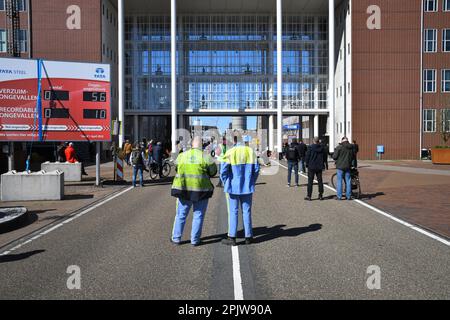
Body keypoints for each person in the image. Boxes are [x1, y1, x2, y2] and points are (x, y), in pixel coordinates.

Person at [171, 136, 217, 246]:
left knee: (181, 215)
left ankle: (176, 238)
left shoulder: (181, 156)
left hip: (183, 190)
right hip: (201, 191)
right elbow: (213, 172)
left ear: (191, 145)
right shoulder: (206, 157)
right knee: (198, 216)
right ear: (202, 145)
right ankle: (195, 240)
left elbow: (176, 168)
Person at [221, 135, 260, 246]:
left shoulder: (230, 152)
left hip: (233, 187)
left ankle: (232, 237)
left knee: (233, 211)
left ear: (234, 141)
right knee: (246, 211)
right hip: (247, 187)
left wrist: (226, 182)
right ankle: (248, 236)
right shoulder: (251, 151)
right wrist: (252, 181)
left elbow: (223, 171)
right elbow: (256, 170)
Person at [304, 137, 325, 201]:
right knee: (320, 181)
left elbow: (307, 156)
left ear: (313, 141)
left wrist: (306, 164)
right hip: (319, 166)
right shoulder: (322, 148)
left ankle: (309, 196)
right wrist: (324, 164)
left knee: (310, 182)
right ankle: (320, 195)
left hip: (311, 166)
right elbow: (324, 157)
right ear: (318, 141)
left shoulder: (310, 148)